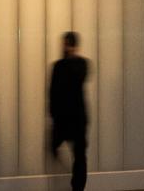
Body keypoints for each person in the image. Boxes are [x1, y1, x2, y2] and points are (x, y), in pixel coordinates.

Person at [47, 31, 91, 190]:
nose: (65, 48)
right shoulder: (64, 65)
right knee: (77, 156)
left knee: (79, 157)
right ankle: (75, 186)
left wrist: (52, 115)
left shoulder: (79, 65)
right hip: (69, 118)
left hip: (73, 119)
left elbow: (76, 78)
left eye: (67, 45)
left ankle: (77, 187)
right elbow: (52, 93)